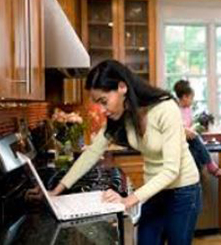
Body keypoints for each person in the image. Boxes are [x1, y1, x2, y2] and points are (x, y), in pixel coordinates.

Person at [50, 60, 201, 245]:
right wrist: (56, 191)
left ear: (122, 87)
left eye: (104, 101)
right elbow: (91, 153)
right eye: (98, 103)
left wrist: (129, 200)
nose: (102, 110)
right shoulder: (123, 115)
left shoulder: (165, 108)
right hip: (153, 191)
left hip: (183, 191)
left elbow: (171, 170)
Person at [173, 80, 221, 177]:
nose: (192, 101)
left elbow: (190, 124)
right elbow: (176, 127)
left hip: (190, 142)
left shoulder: (188, 109)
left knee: (195, 159)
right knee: (196, 140)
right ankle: (210, 165)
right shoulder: (174, 109)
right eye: (191, 98)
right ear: (184, 97)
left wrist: (194, 128)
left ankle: (201, 173)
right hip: (180, 142)